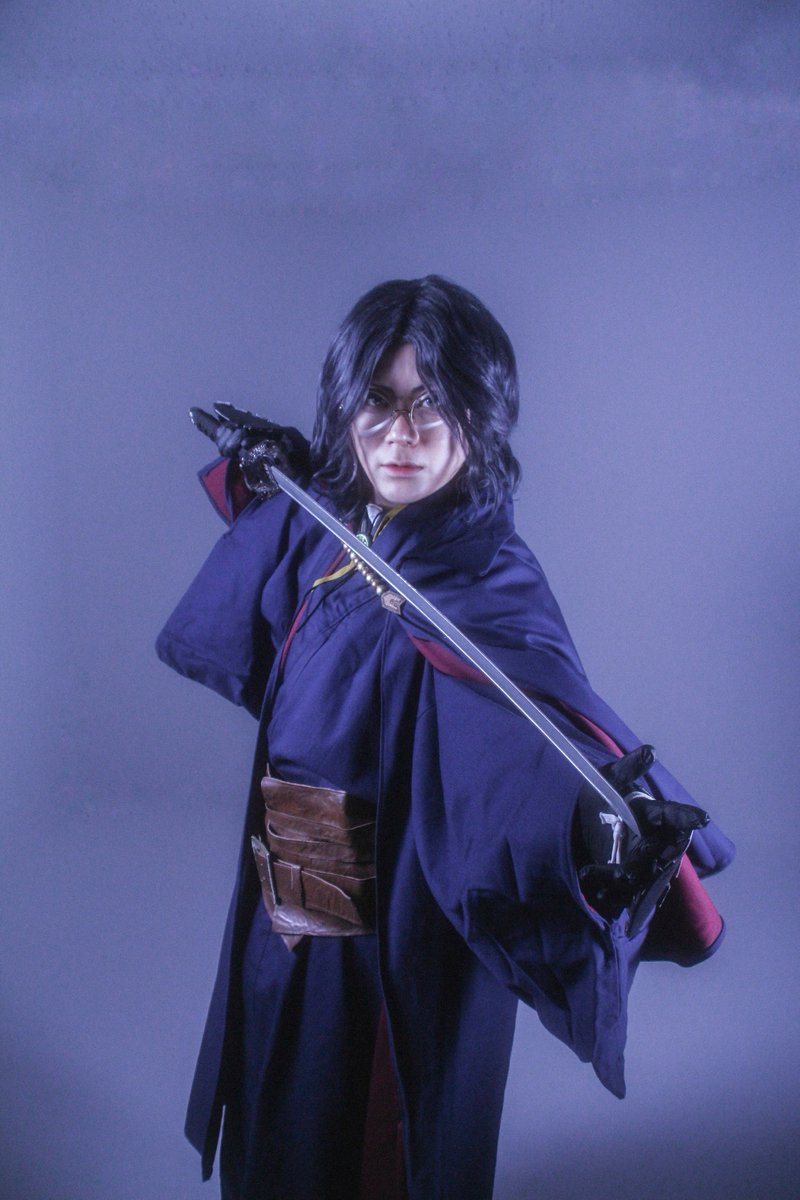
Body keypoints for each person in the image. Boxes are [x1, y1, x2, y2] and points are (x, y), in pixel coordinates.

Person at [157, 276, 733, 1200]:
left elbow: (530, 739)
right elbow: (285, 540)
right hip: (292, 869)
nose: (400, 434)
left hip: (404, 903)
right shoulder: (334, 519)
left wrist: (590, 830)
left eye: (432, 404)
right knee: (279, 1096)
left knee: (378, 1127)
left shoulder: (488, 573)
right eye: (376, 401)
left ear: (478, 414)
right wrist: (276, 467)